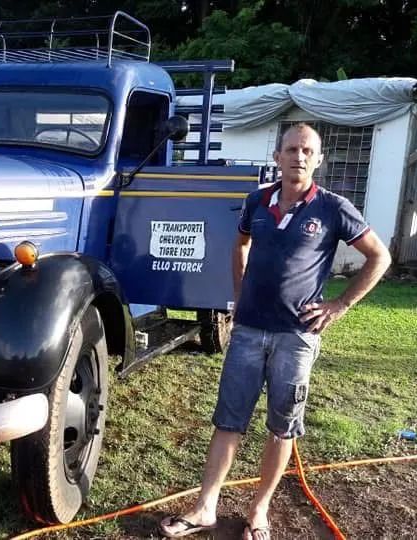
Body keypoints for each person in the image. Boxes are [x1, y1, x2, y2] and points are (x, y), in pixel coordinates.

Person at [159, 123, 392, 539]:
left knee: (282, 426)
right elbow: (240, 245)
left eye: (307, 150)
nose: (298, 157)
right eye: (291, 149)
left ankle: (259, 512)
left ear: (317, 159)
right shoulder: (256, 201)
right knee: (228, 421)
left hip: (295, 337)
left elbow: (380, 257)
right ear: (277, 157)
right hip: (248, 331)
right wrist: (238, 294)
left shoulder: (334, 208)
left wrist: (340, 305)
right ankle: (205, 507)